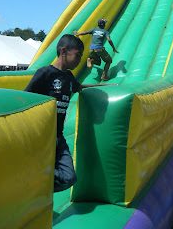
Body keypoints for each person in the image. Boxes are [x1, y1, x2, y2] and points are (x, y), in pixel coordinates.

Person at [25, 34, 113, 192]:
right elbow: (25, 99)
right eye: (77, 55)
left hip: (58, 136)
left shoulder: (69, 77)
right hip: (42, 137)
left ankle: (36, 181)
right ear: (64, 51)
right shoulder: (45, 73)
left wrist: (108, 86)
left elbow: (80, 87)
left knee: (69, 177)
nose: (80, 60)